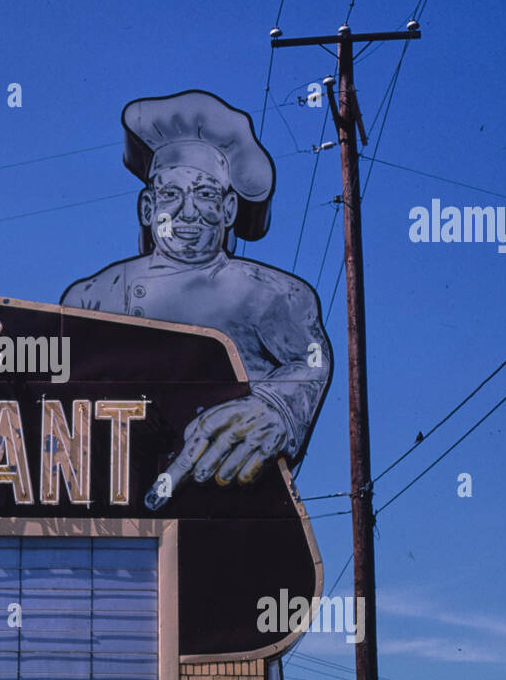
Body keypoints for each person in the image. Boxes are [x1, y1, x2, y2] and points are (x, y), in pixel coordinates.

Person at [60, 90, 332, 507]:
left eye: (205, 195)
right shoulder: (92, 297)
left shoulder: (272, 294)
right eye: (171, 194)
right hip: (110, 512)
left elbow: (312, 359)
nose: (187, 212)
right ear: (148, 207)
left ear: (227, 209)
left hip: (231, 508)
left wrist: (277, 407)